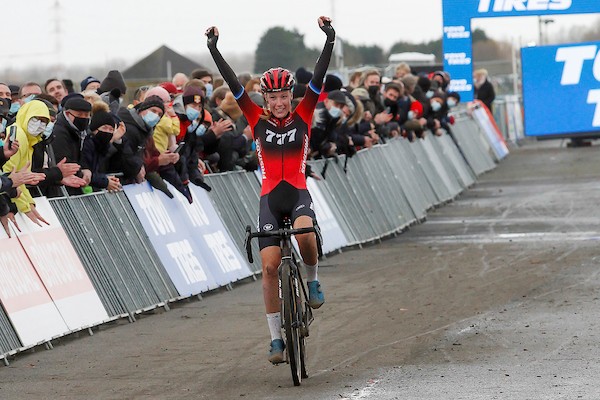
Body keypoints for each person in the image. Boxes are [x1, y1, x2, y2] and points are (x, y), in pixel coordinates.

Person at [206, 15, 334, 364]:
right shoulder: (255, 117)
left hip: (297, 191)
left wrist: (329, 39)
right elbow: (232, 84)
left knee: (306, 233)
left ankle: (312, 281)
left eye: (284, 95)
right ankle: (276, 339)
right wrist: (213, 49)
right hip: (269, 198)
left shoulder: (304, 113)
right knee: (269, 268)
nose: (280, 101)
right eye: (274, 96)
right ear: (265, 97)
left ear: (291, 95)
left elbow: (319, 78)